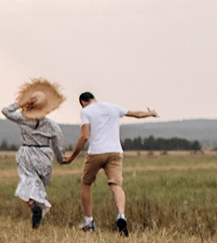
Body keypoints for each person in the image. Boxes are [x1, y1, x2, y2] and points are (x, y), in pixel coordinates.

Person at [63, 90, 157, 234]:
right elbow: (136, 114)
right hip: (115, 151)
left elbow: (85, 136)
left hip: (96, 152)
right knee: (116, 185)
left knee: (86, 183)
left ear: (82, 102)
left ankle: (88, 221)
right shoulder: (113, 107)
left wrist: (71, 157)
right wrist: (150, 113)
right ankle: (121, 215)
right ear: (94, 98)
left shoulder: (86, 111)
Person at [1, 78, 72, 228]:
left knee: (27, 182)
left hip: (27, 152)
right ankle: (37, 214)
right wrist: (60, 158)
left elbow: (5, 111)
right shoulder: (53, 126)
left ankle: (34, 206)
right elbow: (58, 145)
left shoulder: (22, 119)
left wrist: (20, 104)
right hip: (45, 155)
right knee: (39, 186)